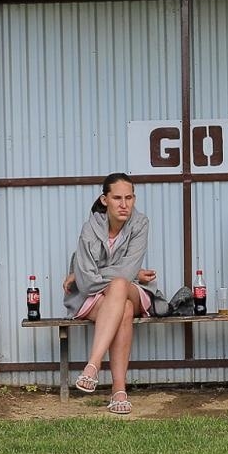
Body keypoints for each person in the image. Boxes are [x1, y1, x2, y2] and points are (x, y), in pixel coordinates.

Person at [63, 173, 166, 415]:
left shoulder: (140, 223)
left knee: (120, 285)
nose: (124, 204)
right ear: (105, 199)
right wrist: (85, 275)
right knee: (124, 309)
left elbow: (126, 271)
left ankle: (93, 365)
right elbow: (87, 284)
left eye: (129, 198)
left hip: (132, 290)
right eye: (117, 198)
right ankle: (119, 391)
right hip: (92, 295)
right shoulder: (90, 228)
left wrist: (86, 273)